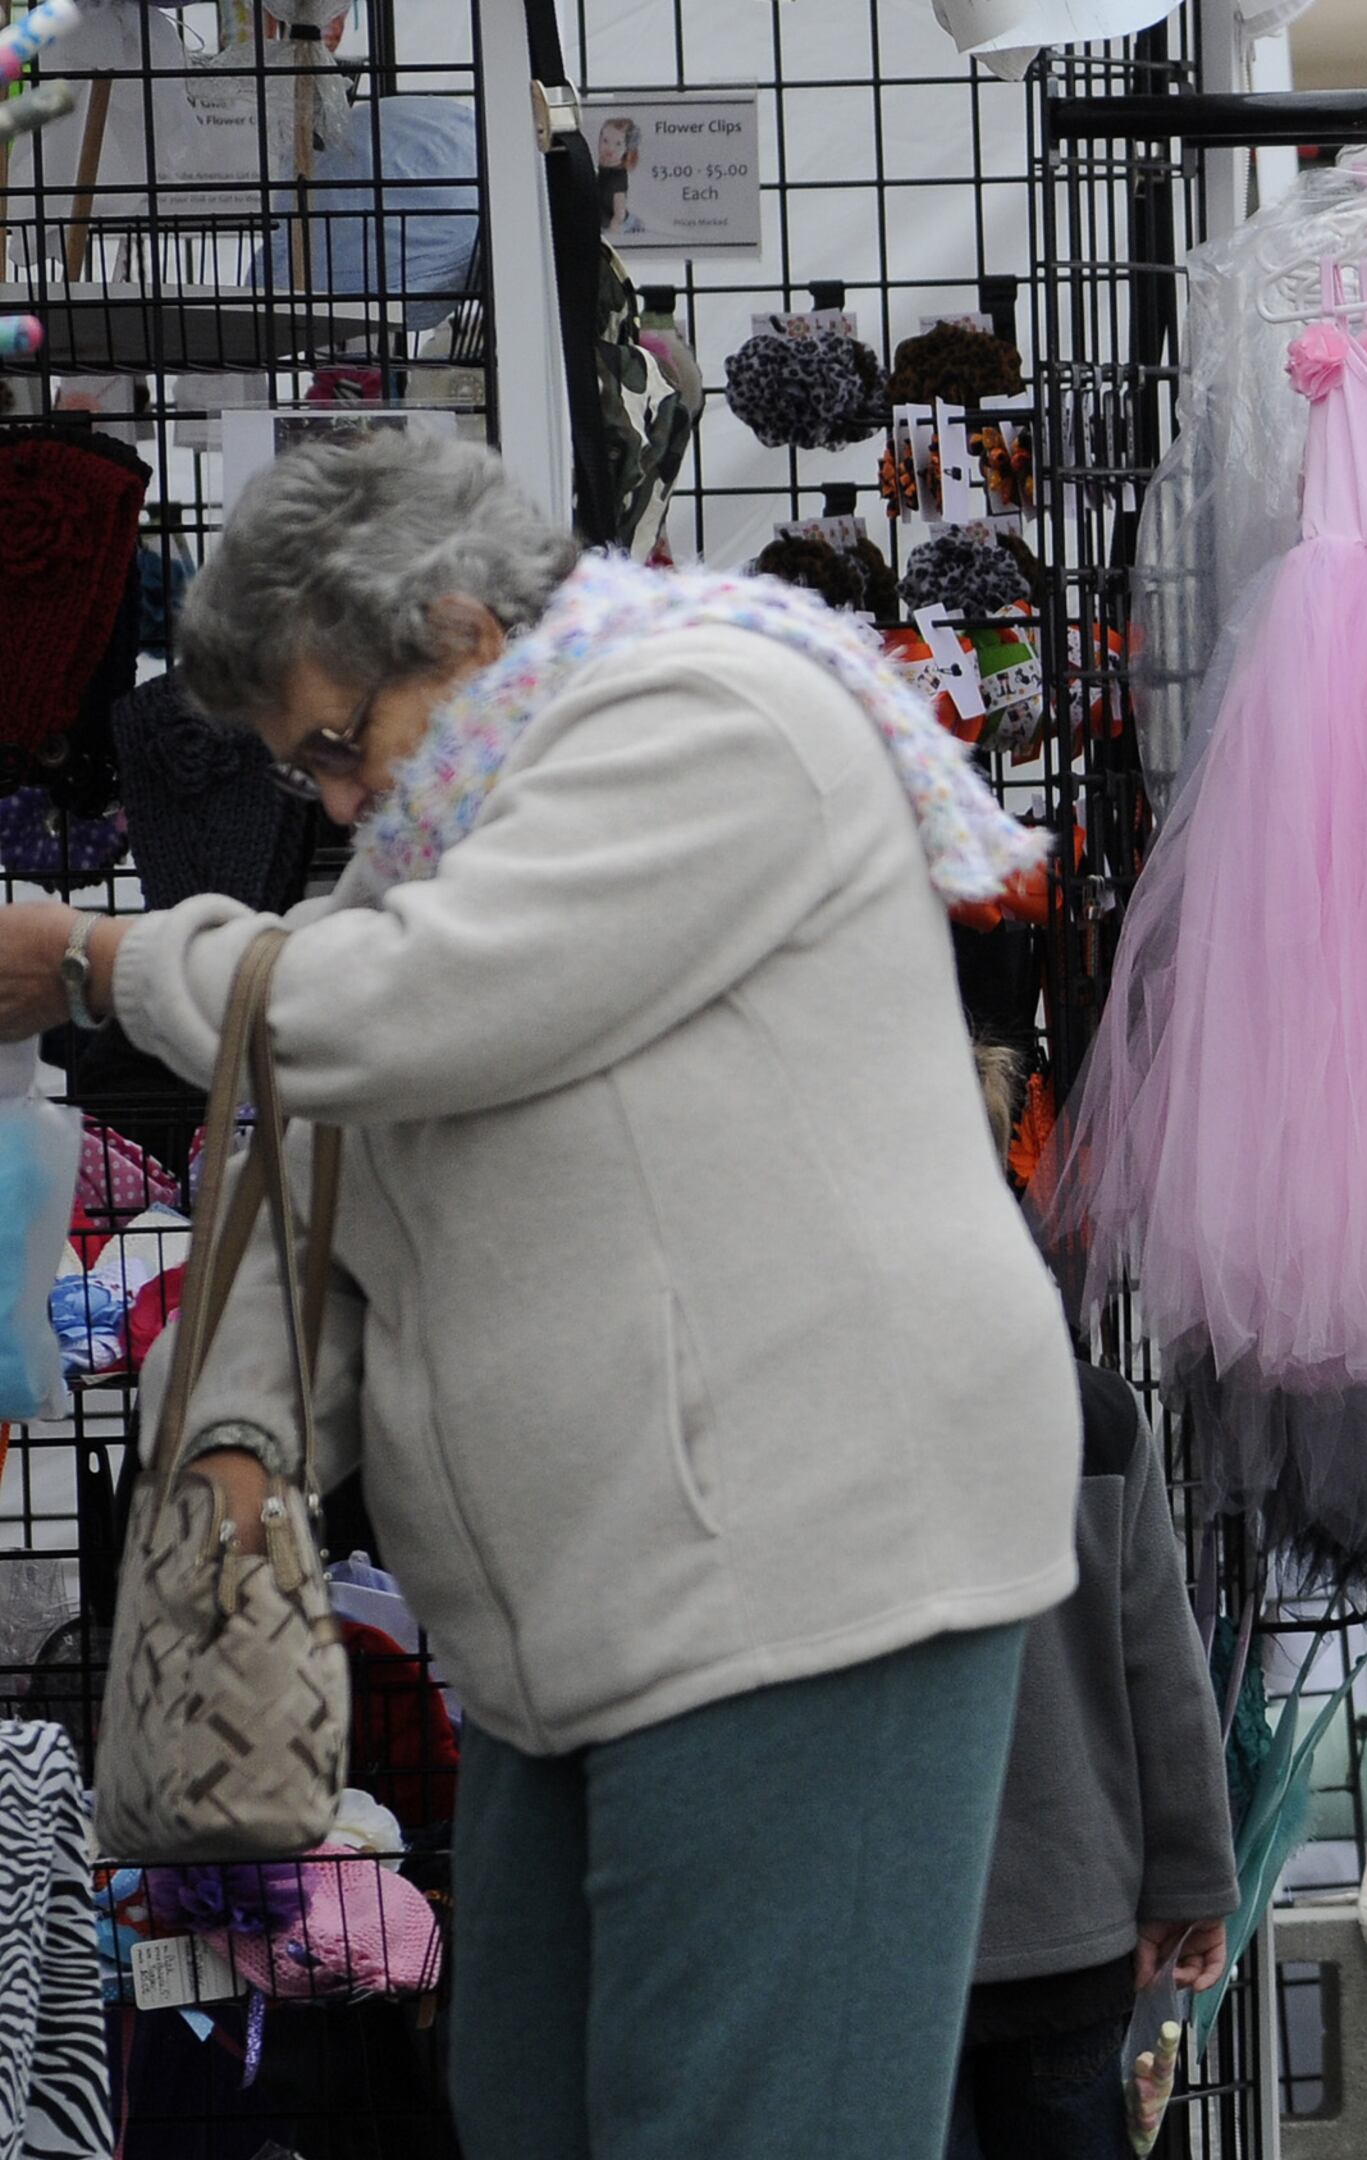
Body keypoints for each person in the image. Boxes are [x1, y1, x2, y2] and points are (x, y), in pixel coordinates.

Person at [0, 434, 1081, 2159]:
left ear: (445, 619)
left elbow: (395, 1014)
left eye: (335, 747)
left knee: (739, 2124)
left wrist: (92, 958)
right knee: (536, 2110)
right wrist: (234, 1445)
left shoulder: (708, 718)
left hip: (799, 1572)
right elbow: (339, 1149)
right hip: (584, 1617)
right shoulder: (461, 817)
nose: (338, 804)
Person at [954, 1049, 1240, 2158]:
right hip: (1076, 1929)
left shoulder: (816, 1411)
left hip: (890, 1938)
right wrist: (1194, 1881)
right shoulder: (1093, 1417)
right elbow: (1162, 1674)